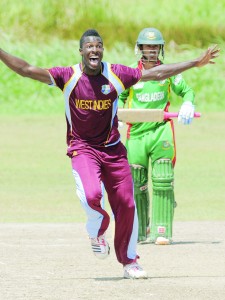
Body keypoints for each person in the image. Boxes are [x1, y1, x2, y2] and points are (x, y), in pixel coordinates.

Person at [0, 29, 219, 279]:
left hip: (113, 149)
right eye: (89, 47)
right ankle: (97, 230)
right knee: (92, 194)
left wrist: (194, 63)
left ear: (102, 50)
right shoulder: (68, 76)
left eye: (99, 46)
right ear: (81, 51)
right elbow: (27, 69)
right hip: (82, 148)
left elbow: (155, 73)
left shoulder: (116, 74)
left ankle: (130, 262)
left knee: (127, 204)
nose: (94, 50)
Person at [118, 27, 199, 245]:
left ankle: (161, 229)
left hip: (161, 130)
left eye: (155, 46)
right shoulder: (131, 74)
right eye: (147, 46)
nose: (151, 50)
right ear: (140, 48)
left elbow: (187, 91)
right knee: (137, 182)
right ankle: (141, 231)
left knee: (163, 178)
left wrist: (188, 103)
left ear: (160, 48)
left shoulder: (170, 72)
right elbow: (119, 95)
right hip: (136, 132)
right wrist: (114, 115)